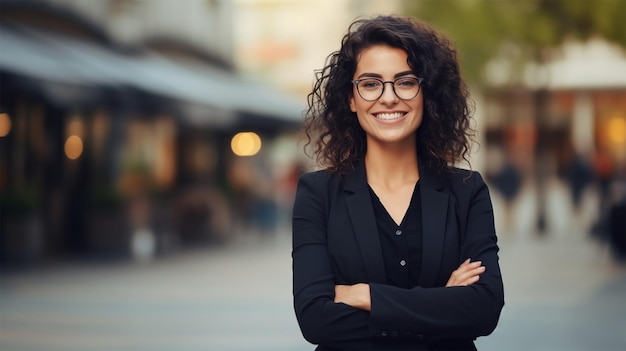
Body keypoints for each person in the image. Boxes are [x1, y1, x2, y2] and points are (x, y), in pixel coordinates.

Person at [292, 15, 504, 351]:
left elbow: (484, 310)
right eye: (371, 83)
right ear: (351, 98)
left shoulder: (466, 189)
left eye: (405, 82)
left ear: (426, 93)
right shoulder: (317, 194)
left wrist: (364, 295)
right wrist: (441, 306)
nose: (388, 97)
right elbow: (315, 319)